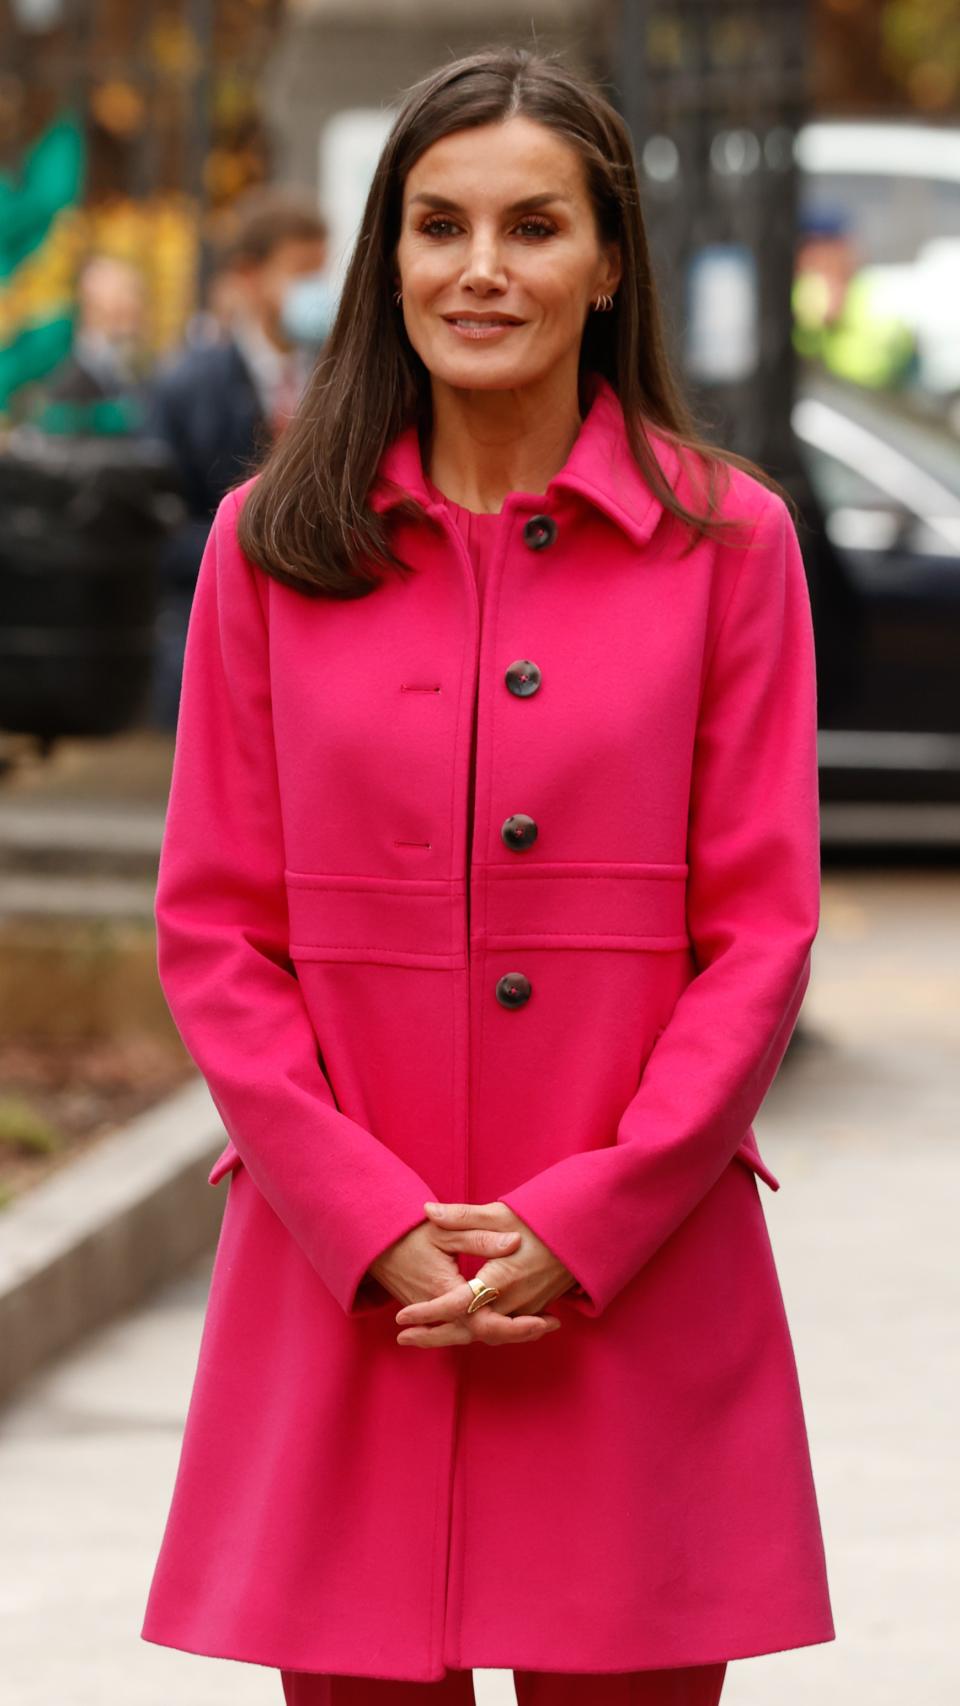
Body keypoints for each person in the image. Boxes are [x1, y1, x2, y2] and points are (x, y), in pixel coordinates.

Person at [140, 44, 836, 1706]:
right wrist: (366, 1219)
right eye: (439, 226)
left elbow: (759, 930)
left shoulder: (730, 548)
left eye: (534, 227)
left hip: (632, 1287)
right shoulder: (268, 546)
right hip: (347, 1292)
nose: (481, 270)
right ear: (388, 257)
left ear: (608, 265)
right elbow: (217, 932)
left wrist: (592, 1213)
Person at [146, 189, 329, 726]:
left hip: (315, 648)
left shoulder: (339, 379)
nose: (316, 291)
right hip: (220, 631)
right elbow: (158, 522)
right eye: (301, 273)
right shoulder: (188, 387)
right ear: (250, 276)